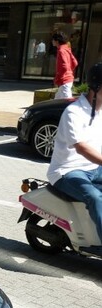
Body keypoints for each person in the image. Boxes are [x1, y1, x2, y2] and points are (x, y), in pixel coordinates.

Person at [47, 62, 102, 244]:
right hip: (67, 171)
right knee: (94, 197)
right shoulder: (74, 112)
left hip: (94, 168)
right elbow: (81, 147)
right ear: (96, 88)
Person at [52, 31, 78, 99]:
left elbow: (64, 66)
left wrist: (58, 77)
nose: (52, 41)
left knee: (67, 102)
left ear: (57, 41)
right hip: (68, 79)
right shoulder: (66, 49)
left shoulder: (61, 51)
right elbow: (75, 62)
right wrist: (69, 71)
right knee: (56, 101)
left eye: (53, 40)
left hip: (64, 80)